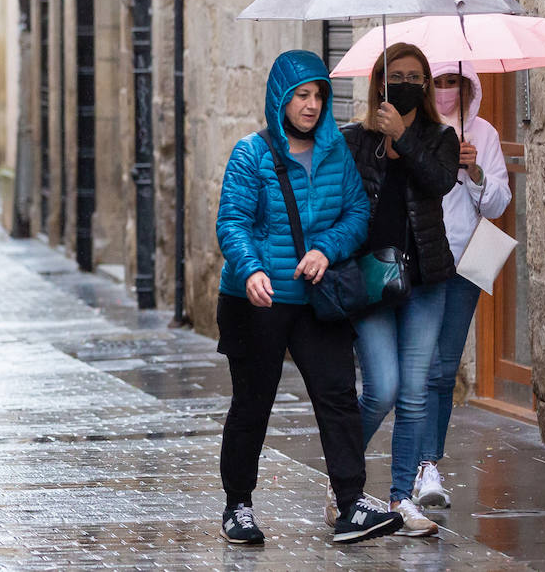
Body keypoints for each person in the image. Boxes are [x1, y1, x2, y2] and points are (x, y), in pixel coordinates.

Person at [215, 49, 402, 545]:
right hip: (257, 299)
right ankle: (238, 505)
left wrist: (326, 248)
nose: (313, 104)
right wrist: (251, 269)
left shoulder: (336, 153)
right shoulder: (250, 154)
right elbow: (231, 222)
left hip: (317, 296)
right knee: (253, 403)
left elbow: (356, 215)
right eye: (302, 95)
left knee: (338, 396)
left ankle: (350, 505)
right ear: (281, 98)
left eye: (319, 94)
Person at [340, 42, 460, 537]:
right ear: (379, 83)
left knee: (414, 394)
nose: (407, 82)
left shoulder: (440, 137)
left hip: (425, 280)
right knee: (382, 389)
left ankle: (401, 497)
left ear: (426, 86)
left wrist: (404, 138)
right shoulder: (353, 140)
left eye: (416, 76)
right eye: (398, 74)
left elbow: (439, 182)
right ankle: (342, 481)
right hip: (370, 283)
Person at [412, 60, 511, 509]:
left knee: (444, 368)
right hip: (420, 263)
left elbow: (498, 203)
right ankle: (414, 465)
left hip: (464, 264)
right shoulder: (414, 130)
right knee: (420, 367)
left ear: (468, 86)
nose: (446, 90)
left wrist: (474, 174)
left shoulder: (484, 134)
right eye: (438, 82)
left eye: (454, 82)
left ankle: (429, 464)